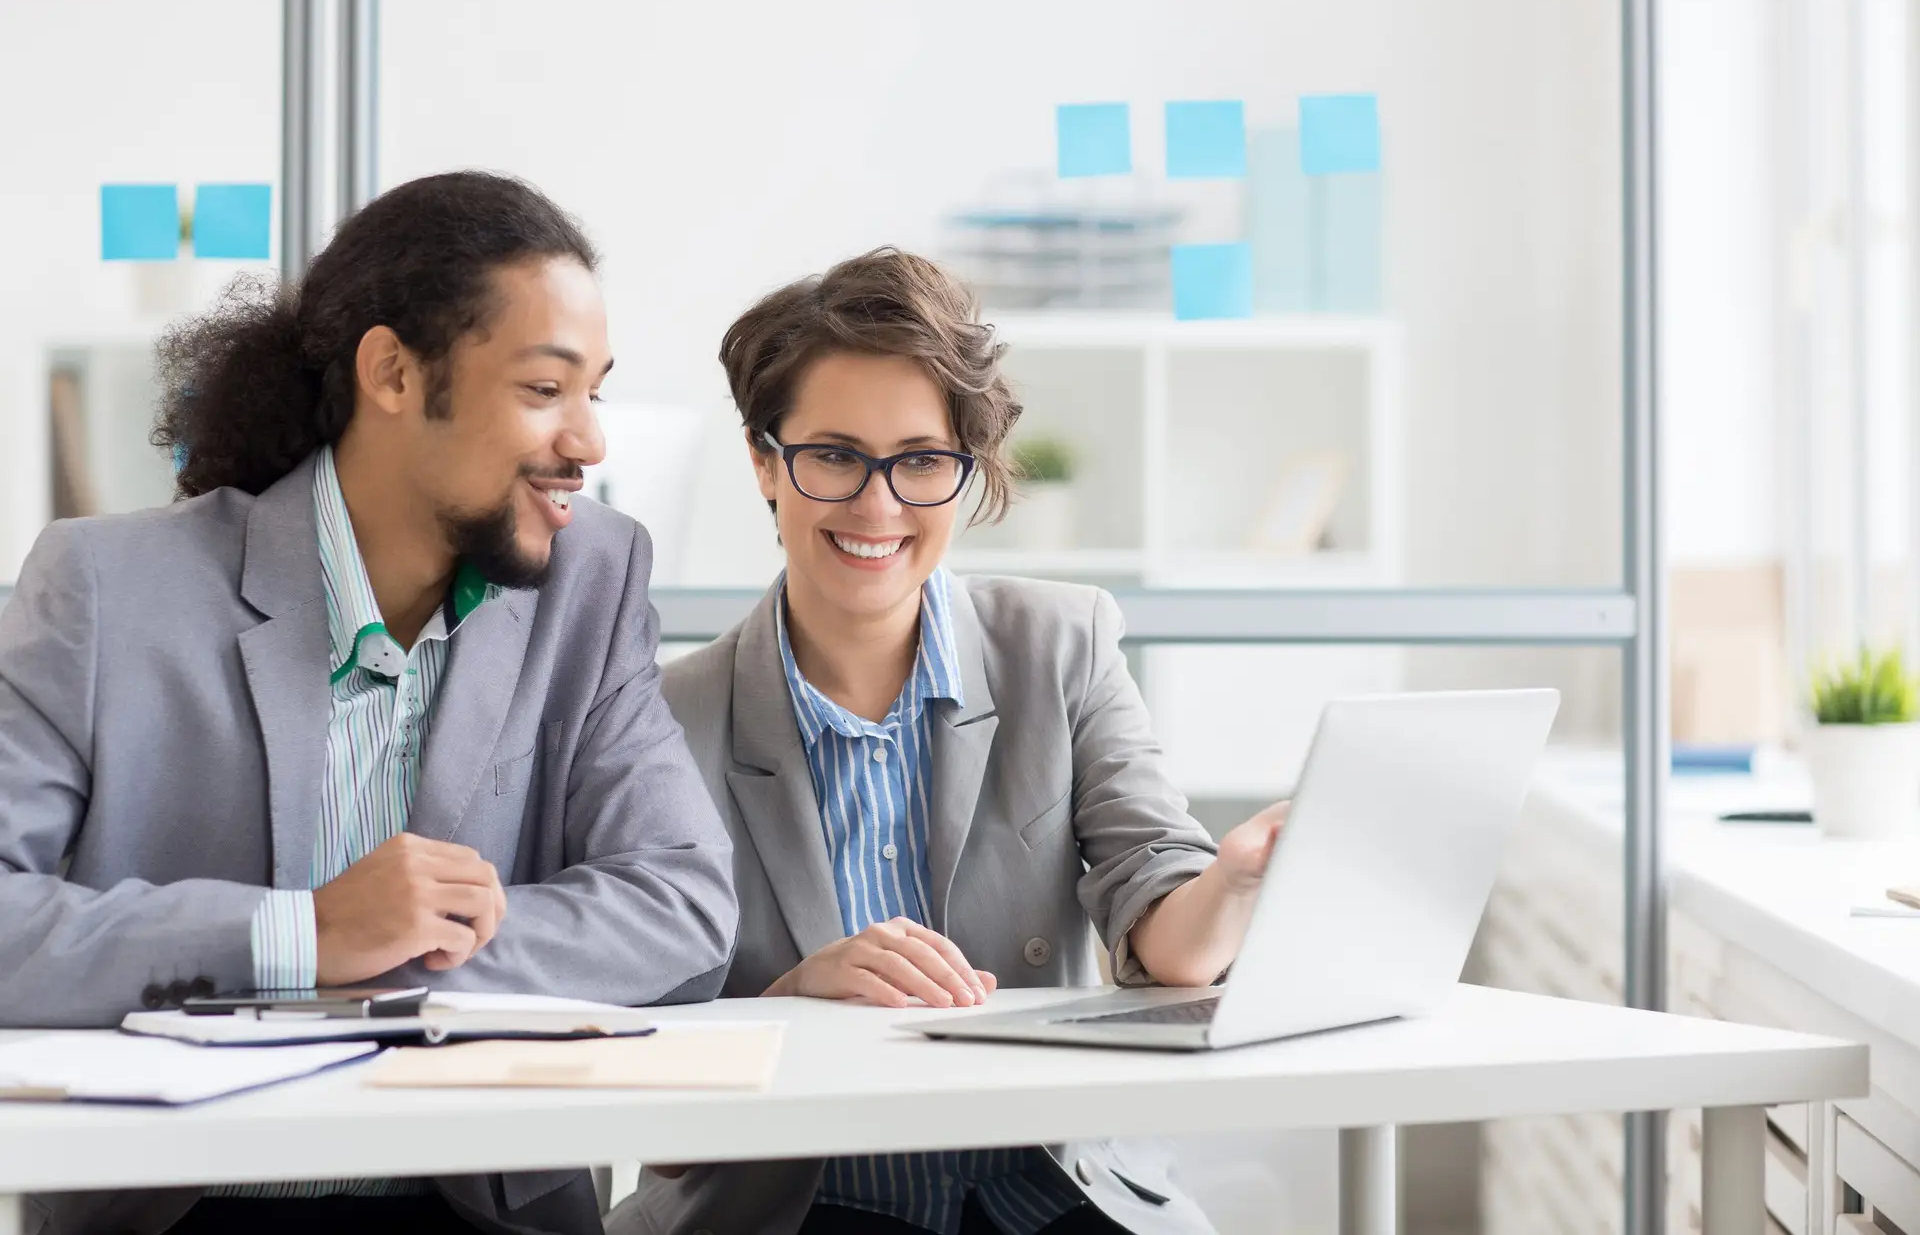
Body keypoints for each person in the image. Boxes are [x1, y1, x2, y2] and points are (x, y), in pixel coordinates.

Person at [0, 171, 737, 1235]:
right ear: (392, 372)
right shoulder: (111, 588)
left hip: (484, 1205)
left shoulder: (593, 577)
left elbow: (681, 905)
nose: (589, 443)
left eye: (595, 392)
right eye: (544, 390)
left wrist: (396, 952)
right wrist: (301, 933)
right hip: (192, 1200)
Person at [609, 249, 1288, 1235]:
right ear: (765, 458)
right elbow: (640, 1082)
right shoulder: (666, 719)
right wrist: (792, 999)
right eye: (834, 454)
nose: (879, 505)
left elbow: (1167, 927)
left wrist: (1229, 880)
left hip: (1044, 1189)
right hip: (797, 1203)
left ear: (966, 472)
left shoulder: (1064, 645)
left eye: (922, 460)